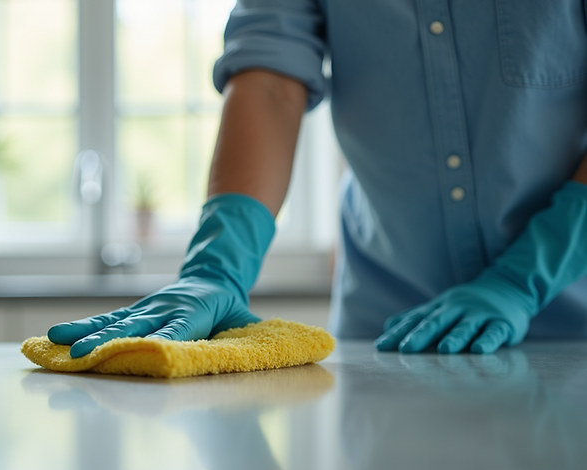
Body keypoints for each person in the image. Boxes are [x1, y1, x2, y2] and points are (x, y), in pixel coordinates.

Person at [50, 0, 587, 357]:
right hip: (387, 335)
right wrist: (216, 268)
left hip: (572, 332)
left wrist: (524, 277)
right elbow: (270, 84)